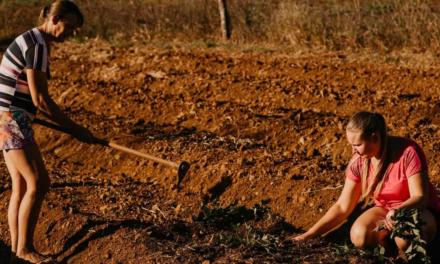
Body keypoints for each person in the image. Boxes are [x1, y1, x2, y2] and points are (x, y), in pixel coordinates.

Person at [0, 1, 95, 263]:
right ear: (55, 19)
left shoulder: (31, 39)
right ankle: (24, 250)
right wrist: (76, 130)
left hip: (6, 117)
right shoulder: (37, 45)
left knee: (20, 185)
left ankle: (15, 252)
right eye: (71, 27)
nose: (72, 33)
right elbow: (40, 98)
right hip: (12, 119)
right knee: (39, 182)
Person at [292, 111, 440, 256]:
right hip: (385, 209)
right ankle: (390, 254)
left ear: (374, 137)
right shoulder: (359, 162)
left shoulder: (408, 152)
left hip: (418, 210)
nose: (353, 150)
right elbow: (342, 207)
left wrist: (398, 212)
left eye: (357, 145)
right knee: (359, 234)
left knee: (405, 237)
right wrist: (309, 234)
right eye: (351, 144)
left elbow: (420, 197)